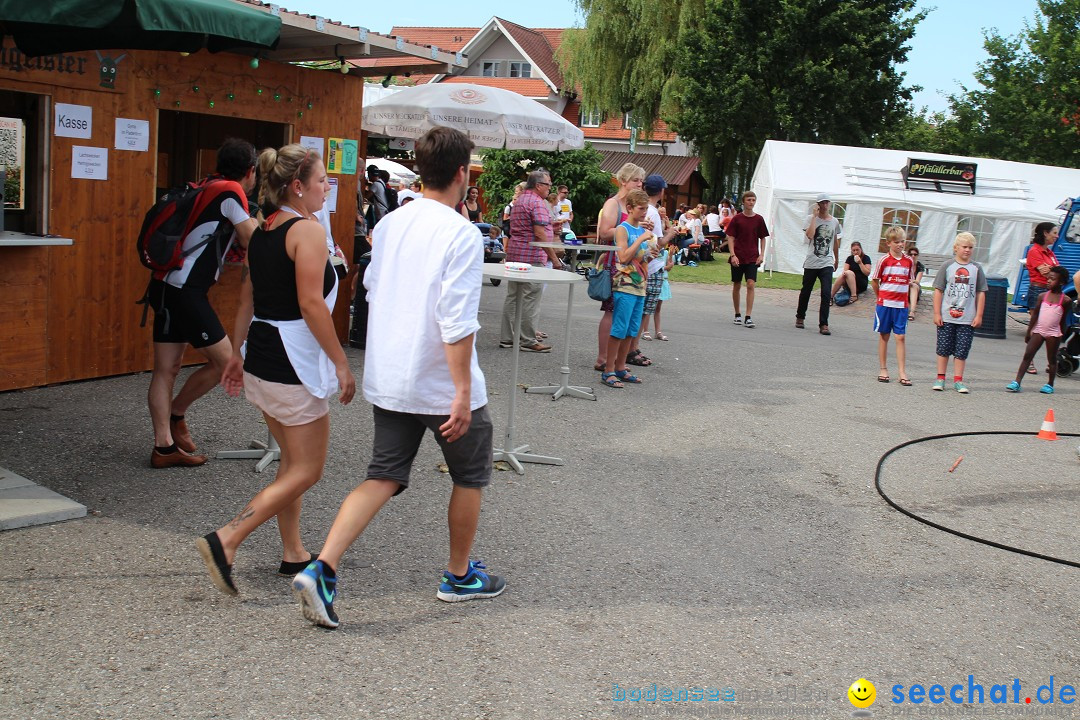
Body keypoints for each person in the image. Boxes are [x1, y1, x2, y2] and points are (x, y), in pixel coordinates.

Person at [291, 127, 503, 629]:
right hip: (437, 379)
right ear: (461, 175)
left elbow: (372, 287)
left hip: (391, 373)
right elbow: (456, 320)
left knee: (382, 475)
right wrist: (462, 391)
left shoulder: (389, 224)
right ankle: (457, 576)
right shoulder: (461, 234)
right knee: (470, 475)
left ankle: (323, 568)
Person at [196, 144, 356, 596]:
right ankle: (226, 539)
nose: (329, 187)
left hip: (264, 357)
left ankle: (292, 552)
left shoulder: (262, 231)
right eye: (323, 180)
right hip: (293, 360)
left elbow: (247, 299)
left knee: (291, 462)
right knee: (308, 469)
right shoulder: (305, 232)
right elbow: (309, 303)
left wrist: (236, 355)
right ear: (298, 186)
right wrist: (342, 363)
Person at [146, 138, 259, 468]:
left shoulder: (207, 185)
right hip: (186, 292)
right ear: (250, 171)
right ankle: (177, 415)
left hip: (164, 287)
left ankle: (163, 448)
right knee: (227, 364)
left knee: (166, 369)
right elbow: (249, 236)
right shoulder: (230, 191)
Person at [499, 169, 563, 352]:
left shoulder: (520, 200)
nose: (550, 188)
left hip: (516, 253)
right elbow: (539, 234)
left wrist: (550, 225)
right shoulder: (537, 202)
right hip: (532, 256)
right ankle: (527, 340)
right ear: (538, 185)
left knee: (513, 296)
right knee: (530, 298)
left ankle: (508, 337)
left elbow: (527, 227)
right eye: (548, 184)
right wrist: (554, 259)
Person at [593, 162, 649, 371]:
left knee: (622, 314)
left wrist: (639, 228)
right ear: (623, 181)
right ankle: (603, 358)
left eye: (641, 180)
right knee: (611, 310)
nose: (639, 184)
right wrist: (629, 227)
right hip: (614, 263)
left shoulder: (634, 205)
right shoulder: (613, 204)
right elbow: (604, 232)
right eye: (635, 180)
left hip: (632, 267)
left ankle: (616, 361)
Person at [601, 189, 653, 388]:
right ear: (630, 208)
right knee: (619, 329)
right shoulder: (623, 229)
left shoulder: (641, 230)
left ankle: (621, 367)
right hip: (624, 285)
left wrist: (650, 254)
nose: (644, 212)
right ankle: (609, 370)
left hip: (639, 285)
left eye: (646, 208)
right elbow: (623, 257)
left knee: (632, 330)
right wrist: (640, 240)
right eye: (641, 208)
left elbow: (640, 258)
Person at [932, 233, 987, 393]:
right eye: (964, 247)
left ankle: (958, 380)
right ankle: (940, 378)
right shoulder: (947, 266)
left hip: (967, 318)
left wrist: (979, 315)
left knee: (961, 350)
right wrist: (937, 313)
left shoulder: (976, 268)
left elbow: (981, 292)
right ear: (956, 248)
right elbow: (938, 290)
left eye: (970, 247)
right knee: (943, 348)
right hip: (947, 316)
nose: (967, 250)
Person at [1007, 266, 1073, 394]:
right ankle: (1017, 382)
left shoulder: (1066, 300)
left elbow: (1063, 320)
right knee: (1028, 355)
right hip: (1039, 330)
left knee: (1052, 359)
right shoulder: (1042, 296)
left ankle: (1050, 384)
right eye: (1048, 278)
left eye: (1052, 279)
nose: (1048, 281)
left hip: (1053, 333)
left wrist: (1061, 336)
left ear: (1061, 282)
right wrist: (1029, 332)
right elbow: (1035, 315)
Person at [872, 226, 915, 385]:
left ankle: (902, 371)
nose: (900, 245)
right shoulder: (883, 260)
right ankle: (883, 368)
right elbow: (875, 280)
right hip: (885, 303)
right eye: (896, 242)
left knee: (900, 336)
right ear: (889, 243)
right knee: (884, 335)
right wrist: (880, 297)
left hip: (901, 304)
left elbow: (909, 281)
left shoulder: (908, 261)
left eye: (902, 241)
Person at [795, 195, 841, 335]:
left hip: (826, 261)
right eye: (822, 202)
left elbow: (835, 241)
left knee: (826, 293)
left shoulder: (834, 221)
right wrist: (815, 217)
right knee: (806, 291)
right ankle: (800, 316)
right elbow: (810, 235)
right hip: (812, 261)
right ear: (818, 204)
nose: (825, 205)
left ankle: (824, 323)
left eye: (827, 202)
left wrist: (836, 258)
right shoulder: (810, 218)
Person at [640, 174, 676, 341]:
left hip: (643, 262)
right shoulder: (653, 212)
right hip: (652, 265)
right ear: (661, 191)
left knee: (643, 305)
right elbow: (657, 243)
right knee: (648, 306)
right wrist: (670, 234)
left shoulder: (643, 208)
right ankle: (635, 344)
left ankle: (635, 342)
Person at [726, 190, 769, 328]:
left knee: (751, 284)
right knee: (737, 284)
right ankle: (737, 314)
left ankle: (748, 316)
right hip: (738, 255)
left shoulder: (759, 219)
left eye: (753, 200)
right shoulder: (737, 219)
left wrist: (762, 254)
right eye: (749, 200)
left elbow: (763, 238)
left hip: (752, 256)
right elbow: (730, 237)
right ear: (743, 202)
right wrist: (733, 255)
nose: (751, 202)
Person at [1023, 222, 1060, 374]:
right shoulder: (1034, 251)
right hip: (1038, 289)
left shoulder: (1050, 253)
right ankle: (1029, 361)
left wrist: (1052, 270)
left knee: (1052, 327)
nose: (1057, 236)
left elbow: (1058, 272)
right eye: (1054, 233)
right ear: (1045, 233)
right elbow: (1048, 273)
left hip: (1050, 291)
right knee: (1036, 326)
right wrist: (1054, 271)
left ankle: (1051, 362)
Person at [907, 246, 926, 319]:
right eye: (911, 254)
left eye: (915, 254)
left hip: (914, 286)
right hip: (905, 285)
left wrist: (912, 281)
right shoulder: (905, 264)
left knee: (914, 286)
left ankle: (912, 311)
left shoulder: (919, 266)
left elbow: (917, 281)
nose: (913, 256)